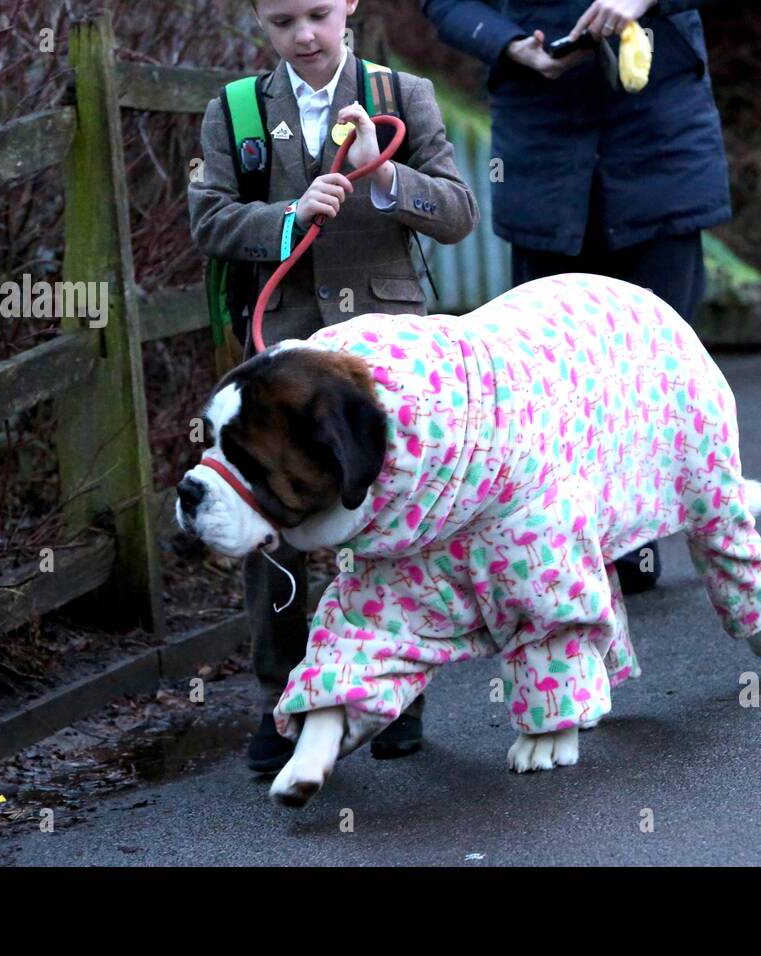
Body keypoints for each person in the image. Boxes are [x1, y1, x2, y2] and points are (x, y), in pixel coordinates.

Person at [188, 0, 478, 772]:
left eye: (318, 13)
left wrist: (387, 179)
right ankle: (283, 700)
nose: (305, 36)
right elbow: (208, 218)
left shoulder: (401, 97)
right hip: (282, 352)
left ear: (349, 4)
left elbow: (458, 214)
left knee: (387, 519)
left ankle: (396, 693)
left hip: (384, 358)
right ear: (260, 19)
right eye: (282, 22)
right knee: (272, 517)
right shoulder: (237, 110)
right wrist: (288, 214)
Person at [421, 0, 734, 593]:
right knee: (549, 376)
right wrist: (512, 45)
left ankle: (685, 537)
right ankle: (569, 548)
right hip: (540, 139)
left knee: (666, 362)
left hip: (658, 127)